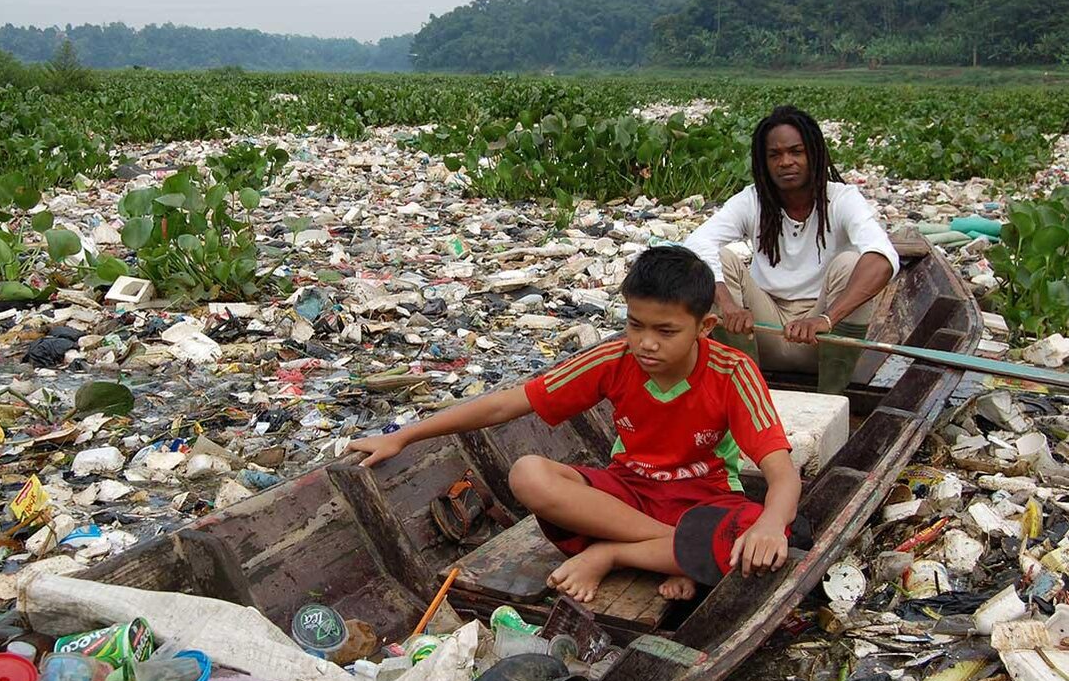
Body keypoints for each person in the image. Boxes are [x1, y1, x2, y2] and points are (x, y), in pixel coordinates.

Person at [346, 246, 806, 604]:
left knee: (764, 531)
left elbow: (780, 471)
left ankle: (614, 554)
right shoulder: (614, 360)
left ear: (705, 327)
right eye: (635, 325)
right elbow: (504, 406)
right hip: (626, 496)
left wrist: (767, 522)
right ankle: (679, 553)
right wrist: (402, 435)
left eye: (666, 332)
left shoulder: (732, 370)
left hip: (703, 499)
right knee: (527, 473)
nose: (646, 344)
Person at [683, 105, 899, 394]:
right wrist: (729, 306)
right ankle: (744, 391)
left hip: (822, 338)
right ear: (764, 162)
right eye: (775, 155)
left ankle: (831, 397)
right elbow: (697, 243)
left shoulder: (842, 199)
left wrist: (827, 318)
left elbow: (884, 258)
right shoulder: (753, 200)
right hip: (762, 334)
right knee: (713, 261)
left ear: (814, 154)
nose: (786, 162)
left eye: (796, 152)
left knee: (850, 263)